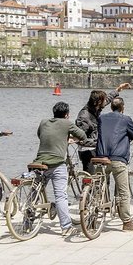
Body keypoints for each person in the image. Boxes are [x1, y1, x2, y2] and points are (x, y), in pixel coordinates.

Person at [33, 101, 89, 236]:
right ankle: (66, 227)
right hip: (56, 163)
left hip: (39, 161)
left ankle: (28, 222)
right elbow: (82, 136)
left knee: (34, 192)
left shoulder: (43, 122)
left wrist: (63, 137)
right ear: (66, 114)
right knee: (61, 196)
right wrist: (70, 138)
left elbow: (41, 135)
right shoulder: (67, 123)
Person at [96, 97, 133, 231]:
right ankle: (127, 222)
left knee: (98, 188)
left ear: (111, 107)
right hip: (118, 159)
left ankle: (93, 215)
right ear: (122, 108)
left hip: (101, 158)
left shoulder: (101, 118)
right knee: (124, 192)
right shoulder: (126, 119)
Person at [75, 83, 130, 173]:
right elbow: (81, 138)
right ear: (99, 102)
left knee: (102, 175)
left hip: (96, 148)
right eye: (103, 101)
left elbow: (108, 98)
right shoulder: (84, 116)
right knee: (90, 178)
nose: (106, 102)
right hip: (87, 150)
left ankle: (103, 185)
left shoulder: (95, 107)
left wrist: (118, 89)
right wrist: (98, 142)